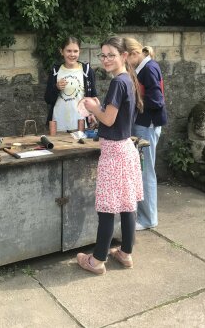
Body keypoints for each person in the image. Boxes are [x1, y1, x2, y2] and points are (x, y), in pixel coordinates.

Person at [76, 36, 144, 274]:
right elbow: (114, 119)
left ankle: (97, 260)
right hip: (126, 148)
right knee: (127, 205)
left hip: (114, 153)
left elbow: (109, 119)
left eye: (111, 55)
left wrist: (93, 107)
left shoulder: (118, 83)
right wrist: (100, 114)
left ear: (124, 56)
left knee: (106, 208)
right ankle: (125, 254)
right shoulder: (128, 80)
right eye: (102, 55)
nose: (105, 59)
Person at [124, 37, 168, 230]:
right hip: (143, 124)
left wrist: (134, 99)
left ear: (133, 54)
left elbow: (157, 100)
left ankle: (148, 219)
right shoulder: (144, 67)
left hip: (147, 126)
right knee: (141, 171)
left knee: (146, 172)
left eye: (126, 59)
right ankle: (143, 216)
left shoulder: (148, 69)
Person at [45, 36, 97, 131]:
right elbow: (48, 99)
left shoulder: (87, 71)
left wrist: (92, 113)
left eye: (75, 51)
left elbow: (93, 97)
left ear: (79, 51)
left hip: (81, 123)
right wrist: (56, 87)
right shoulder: (55, 71)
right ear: (61, 51)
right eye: (68, 51)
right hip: (58, 123)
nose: (72, 54)